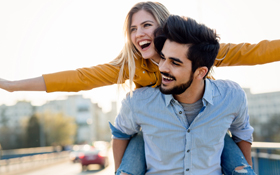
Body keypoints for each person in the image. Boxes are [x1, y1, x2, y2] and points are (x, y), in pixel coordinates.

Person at [0, 1, 279, 174]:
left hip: (204, 126)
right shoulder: (131, 65)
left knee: (239, 165)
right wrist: (12, 86)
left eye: (146, 25)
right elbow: (79, 77)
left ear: (164, 26)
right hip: (156, 133)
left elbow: (252, 52)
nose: (139, 34)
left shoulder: (192, 48)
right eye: (133, 29)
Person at [110, 15, 255, 175]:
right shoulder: (138, 101)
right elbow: (120, 133)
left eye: (175, 63)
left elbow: (241, 132)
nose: (163, 68)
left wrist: (246, 170)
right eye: (163, 58)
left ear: (200, 72)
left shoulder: (231, 96)